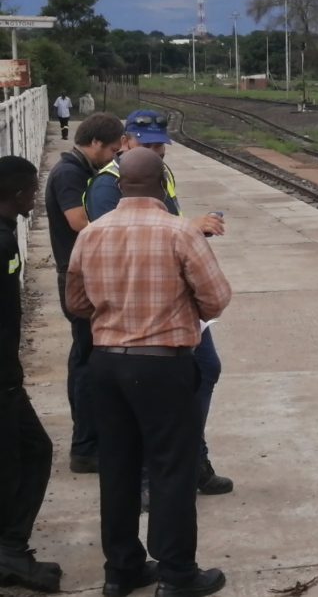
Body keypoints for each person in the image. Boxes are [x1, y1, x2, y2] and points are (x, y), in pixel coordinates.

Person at [66, 148, 232, 597]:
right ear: (162, 186)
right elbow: (216, 299)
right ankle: (177, 575)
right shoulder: (181, 233)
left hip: (106, 364)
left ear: (120, 186)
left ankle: (122, 571)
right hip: (161, 364)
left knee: (118, 468)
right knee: (171, 468)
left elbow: (76, 304)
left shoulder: (92, 234)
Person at [84, 109, 233, 497]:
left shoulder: (160, 173)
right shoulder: (106, 186)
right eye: (146, 142)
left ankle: (194, 458)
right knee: (156, 400)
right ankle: (155, 479)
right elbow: (118, 244)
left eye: (159, 144)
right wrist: (188, 230)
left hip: (177, 300)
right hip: (142, 309)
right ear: (126, 141)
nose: (155, 149)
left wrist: (189, 233)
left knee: (205, 372)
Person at [43, 111, 123, 473]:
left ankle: (90, 441)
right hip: (76, 276)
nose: (113, 157)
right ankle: (86, 447)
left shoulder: (80, 169)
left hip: (83, 273)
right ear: (93, 143)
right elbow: (78, 222)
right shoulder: (69, 173)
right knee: (88, 363)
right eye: (110, 150)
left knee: (86, 358)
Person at [0, 157, 61, 594]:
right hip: (1, 379)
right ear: (19, 193)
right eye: (31, 191)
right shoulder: (1, 242)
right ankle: (10, 552)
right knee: (26, 457)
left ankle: (10, 548)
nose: (33, 198)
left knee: (28, 454)